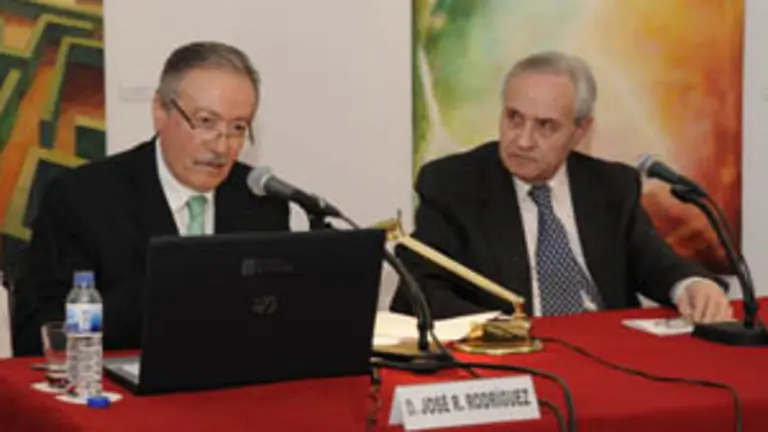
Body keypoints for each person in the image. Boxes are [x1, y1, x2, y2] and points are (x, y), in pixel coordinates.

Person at [391, 50, 733, 323]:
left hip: (608, 355)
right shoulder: (453, 184)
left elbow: (656, 264)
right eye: (514, 118)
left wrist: (691, 286)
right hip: (513, 360)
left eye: (545, 126)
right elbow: (418, 288)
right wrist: (498, 328)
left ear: (580, 131)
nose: (522, 140)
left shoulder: (611, 186)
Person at [12, 42, 289, 356]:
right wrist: (166, 289)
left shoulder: (261, 202)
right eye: (206, 122)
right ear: (160, 111)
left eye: (238, 127)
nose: (222, 147)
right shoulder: (82, 198)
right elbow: (35, 335)